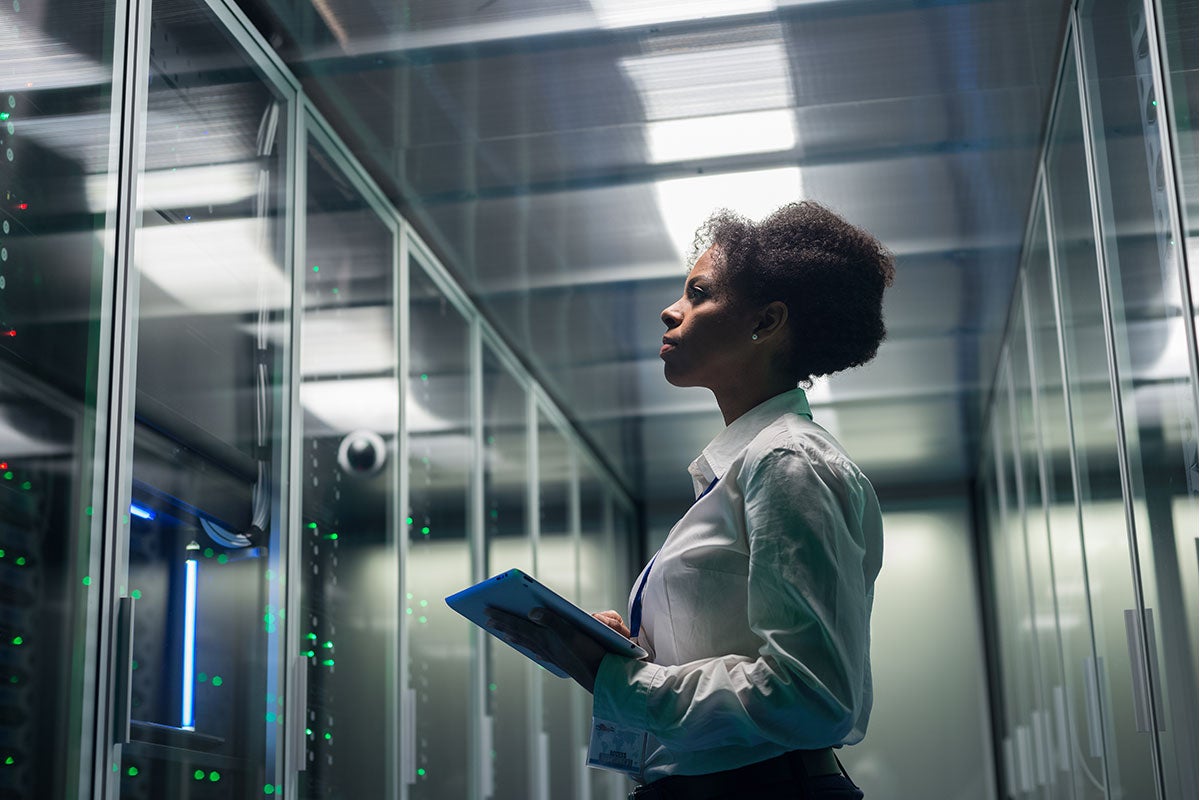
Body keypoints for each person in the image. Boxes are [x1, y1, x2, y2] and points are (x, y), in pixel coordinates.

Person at [489, 201, 893, 800]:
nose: (669, 310)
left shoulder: (787, 463)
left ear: (766, 322)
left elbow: (814, 697)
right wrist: (632, 652)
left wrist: (619, 678)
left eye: (698, 293)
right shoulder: (749, 465)